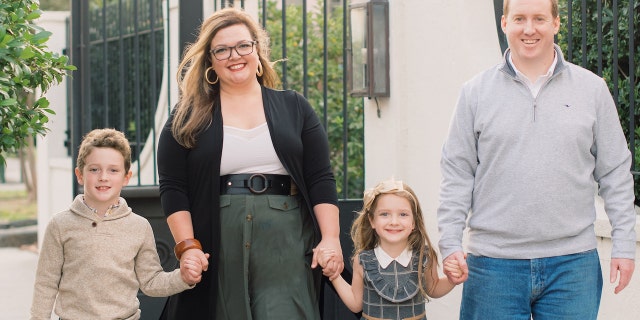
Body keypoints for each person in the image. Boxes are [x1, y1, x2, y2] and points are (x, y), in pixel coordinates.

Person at [437, 0, 637, 319]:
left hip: (573, 266)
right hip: (492, 266)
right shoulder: (475, 93)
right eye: (519, 19)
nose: (529, 29)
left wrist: (625, 245)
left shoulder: (593, 90)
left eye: (539, 19)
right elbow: (457, 174)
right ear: (505, 24)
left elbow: (615, 173)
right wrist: (449, 242)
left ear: (556, 24)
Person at [156, 7, 344, 320]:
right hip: (217, 238)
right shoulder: (186, 116)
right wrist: (188, 247)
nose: (235, 55)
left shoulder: (294, 106)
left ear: (257, 51)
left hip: (287, 238)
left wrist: (331, 239)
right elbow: (173, 187)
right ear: (211, 61)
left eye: (243, 45)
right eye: (222, 50)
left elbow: (320, 177)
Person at [30, 128, 204, 320]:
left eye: (113, 170)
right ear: (80, 175)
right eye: (94, 169)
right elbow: (46, 284)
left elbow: (151, 281)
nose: (103, 177)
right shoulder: (60, 225)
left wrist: (183, 277)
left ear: (126, 177)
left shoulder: (139, 227)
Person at [316, 178, 457, 320]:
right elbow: (355, 304)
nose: (394, 222)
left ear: (413, 221)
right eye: (384, 214)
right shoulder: (363, 260)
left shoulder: (423, 256)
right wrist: (334, 276)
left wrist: (452, 279)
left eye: (403, 214)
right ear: (372, 220)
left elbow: (433, 288)